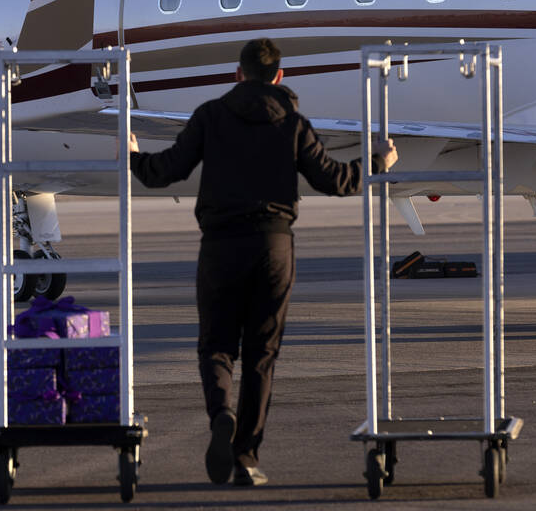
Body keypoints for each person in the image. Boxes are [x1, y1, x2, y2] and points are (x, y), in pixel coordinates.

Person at [128, 38, 398, 487]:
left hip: (220, 246)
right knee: (261, 353)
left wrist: (134, 155)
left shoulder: (210, 115)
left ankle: (221, 414)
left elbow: (167, 170)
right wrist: (378, 161)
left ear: (238, 74)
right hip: (273, 246)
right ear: (279, 76)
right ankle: (246, 458)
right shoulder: (292, 122)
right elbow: (334, 180)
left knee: (216, 345)